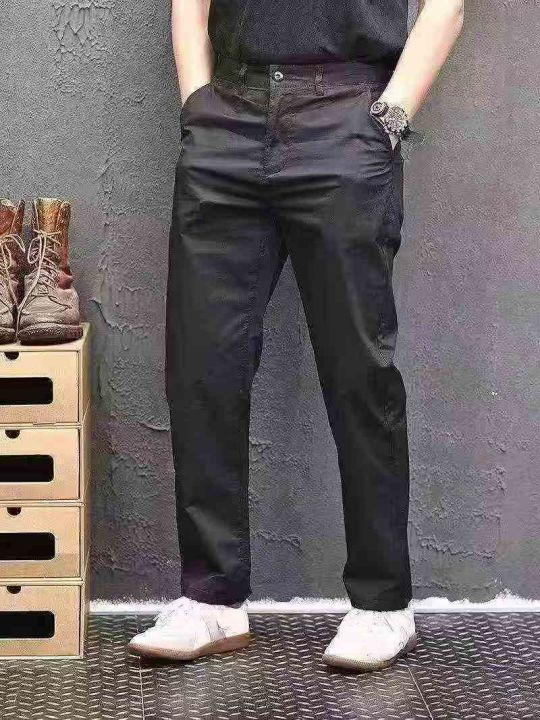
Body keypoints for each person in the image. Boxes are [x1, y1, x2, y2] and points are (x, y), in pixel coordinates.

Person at [129, 0, 464, 671]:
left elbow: (448, 5)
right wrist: (198, 104)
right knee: (202, 368)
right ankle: (212, 599)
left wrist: (391, 114)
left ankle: (382, 605)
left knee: (358, 372)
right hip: (228, 116)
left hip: (345, 114)